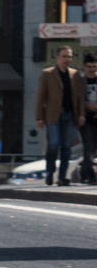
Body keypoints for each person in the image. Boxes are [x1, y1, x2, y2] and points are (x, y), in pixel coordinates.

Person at [34, 45, 86, 186]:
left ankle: (62, 177)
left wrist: (81, 114)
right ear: (57, 58)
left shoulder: (75, 74)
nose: (67, 59)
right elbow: (40, 97)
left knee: (66, 147)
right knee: (53, 144)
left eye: (69, 56)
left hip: (69, 115)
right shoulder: (48, 73)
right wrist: (39, 116)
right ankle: (50, 172)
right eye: (64, 56)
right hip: (52, 116)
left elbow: (80, 97)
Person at [79, 51, 97, 185]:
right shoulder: (80, 81)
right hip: (85, 119)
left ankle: (83, 171)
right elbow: (77, 99)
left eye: (94, 66)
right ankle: (91, 175)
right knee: (88, 146)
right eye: (89, 66)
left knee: (94, 148)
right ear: (84, 66)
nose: (92, 69)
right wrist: (87, 105)